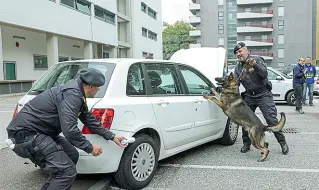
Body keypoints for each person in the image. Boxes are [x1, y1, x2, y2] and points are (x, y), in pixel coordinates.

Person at [6, 68, 127, 190]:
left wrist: (112, 136)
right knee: (66, 172)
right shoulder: (72, 95)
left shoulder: (77, 92)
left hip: (41, 133)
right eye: (98, 87)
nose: (99, 89)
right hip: (26, 135)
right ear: (90, 87)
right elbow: (69, 130)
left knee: (71, 155)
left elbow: (88, 119)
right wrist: (89, 148)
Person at [233, 42, 289, 155]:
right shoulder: (238, 67)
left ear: (246, 50)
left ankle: (282, 142)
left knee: (271, 120)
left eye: (240, 51)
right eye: (236, 53)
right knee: (246, 121)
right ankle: (246, 144)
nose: (238, 54)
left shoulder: (257, 60)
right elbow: (236, 83)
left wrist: (254, 65)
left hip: (263, 94)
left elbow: (264, 74)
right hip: (249, 95)